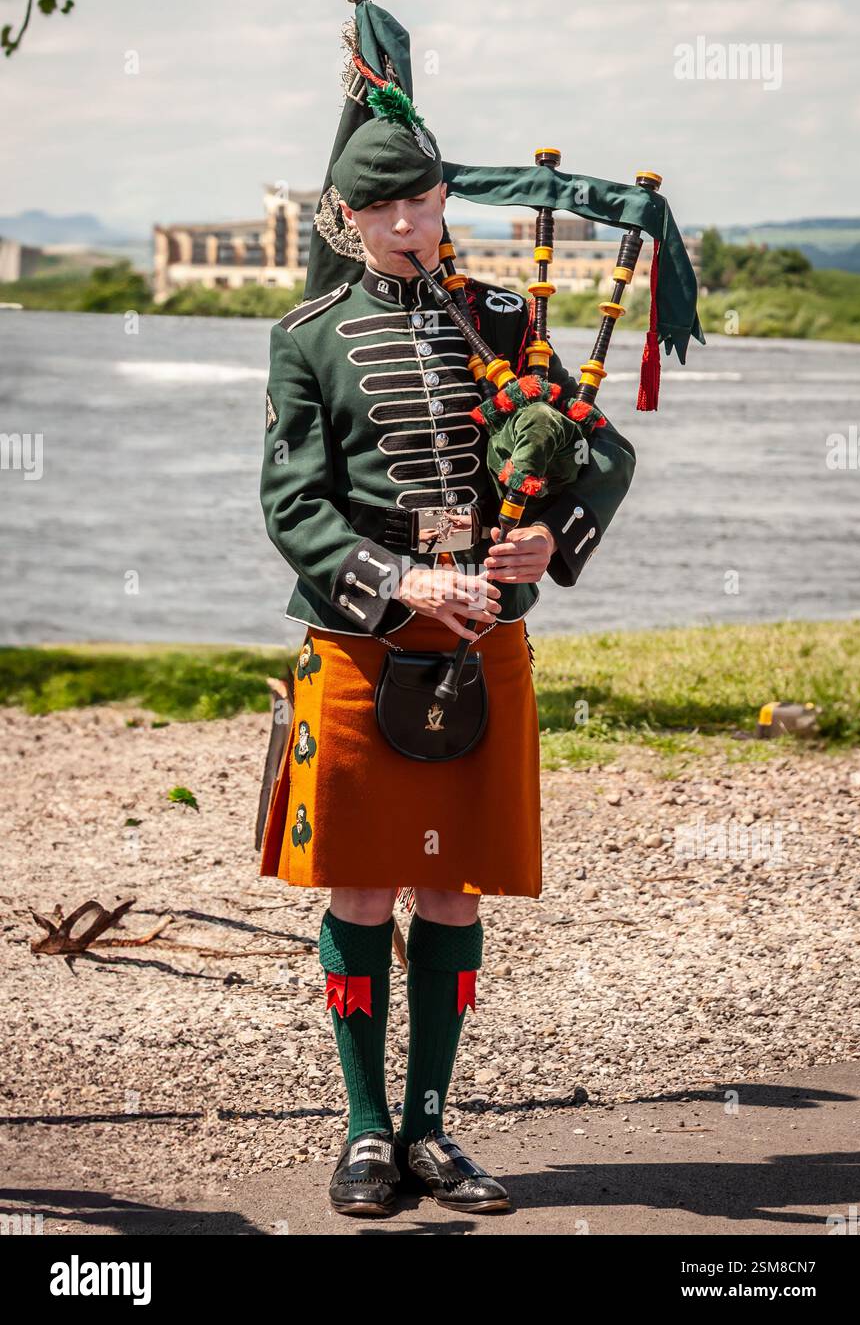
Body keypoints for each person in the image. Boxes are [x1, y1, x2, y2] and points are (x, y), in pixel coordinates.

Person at [258, 109, 636, 1216]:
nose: (408, 222)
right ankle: (367, 1130)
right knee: (363, 883)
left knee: (454, 886)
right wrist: (397, 578)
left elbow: (591, 444)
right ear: (346, 217)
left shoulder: (507, 315)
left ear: (441, 201)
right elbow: (291, 503)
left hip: (484, 641)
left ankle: (432, 1129)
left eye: (422, 201)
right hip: (363, 640)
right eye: (382, 207)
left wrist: (548, 535)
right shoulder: (309, 334)